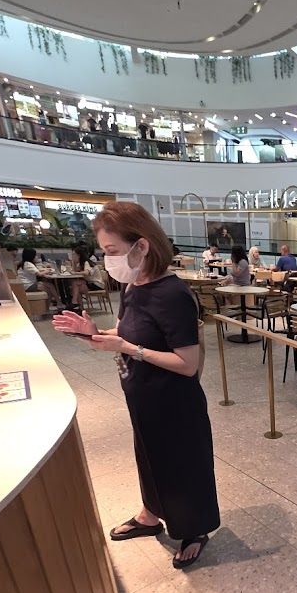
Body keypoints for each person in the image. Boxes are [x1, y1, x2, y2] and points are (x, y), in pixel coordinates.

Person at [52, 202, 220, 569]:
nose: (108, 259)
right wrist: (94, 334)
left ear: (141, 246)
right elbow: (127, 334)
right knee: (148, 456)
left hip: (174, 402)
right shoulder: (132, 287)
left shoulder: (173, 295)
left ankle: (194, 530)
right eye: (104, 252)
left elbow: (187, 364)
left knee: (182, 465)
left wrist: (127, 347)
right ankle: (150, 514)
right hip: (141, 394)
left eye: (112, 252)